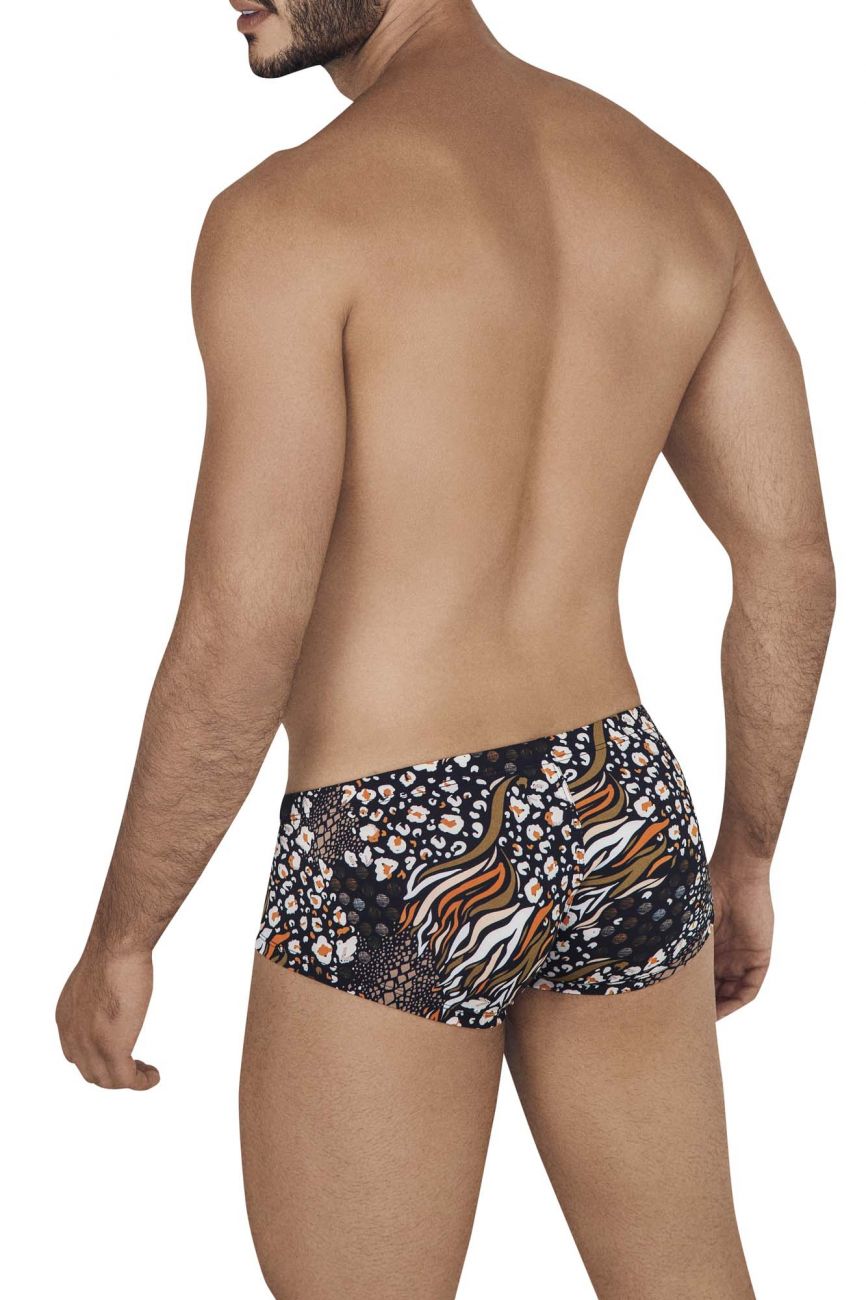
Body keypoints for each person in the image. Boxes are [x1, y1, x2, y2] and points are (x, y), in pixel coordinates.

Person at [55, 1, 836, 1296]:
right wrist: (746, 853)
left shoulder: (291, 218)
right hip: (616, 808)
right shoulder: (673, 191)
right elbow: (790, 561)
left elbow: (243, 623)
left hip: (395, 839)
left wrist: (127, 932)